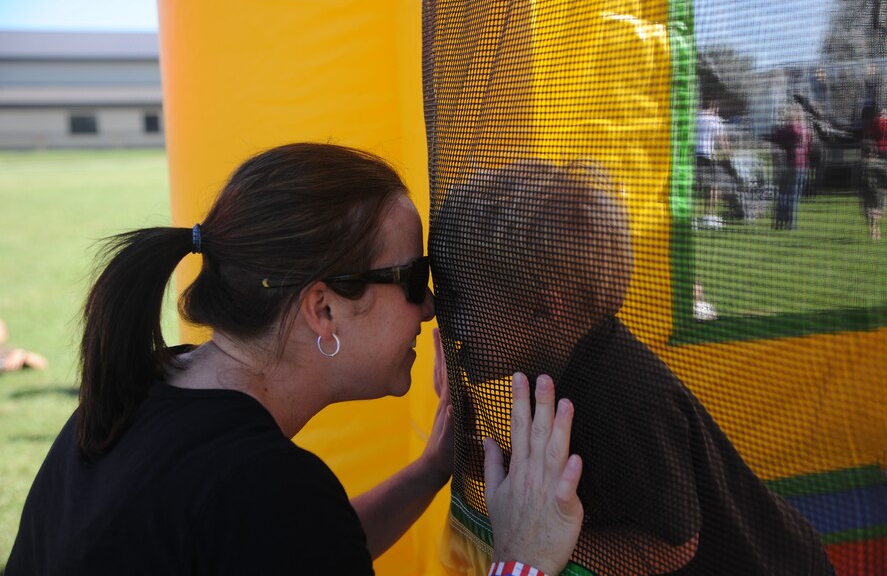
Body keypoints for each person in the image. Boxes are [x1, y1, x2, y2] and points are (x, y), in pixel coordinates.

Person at [5, 143, 584, 576]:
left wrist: (430, 470)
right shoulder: (264, 489)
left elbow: (294, 551)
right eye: (413, 278)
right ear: (323, 308)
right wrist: (523, 560)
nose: (431, 306)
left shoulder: (152, 384)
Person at [431, 158, 834, 575]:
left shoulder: (620, 398)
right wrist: (482, 463)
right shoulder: (546, 368)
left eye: (457, 298)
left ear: (544, 307)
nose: (440, 314)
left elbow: (672, 543)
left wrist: (537, 546)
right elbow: (584, 481)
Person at [695, 101, 730, 229]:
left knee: (694, 187)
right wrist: (728, 156)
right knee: (715, 186)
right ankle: (709, 216)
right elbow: (722, 140)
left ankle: (692, 218)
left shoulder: (695, 118)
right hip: (707, 156)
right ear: (713, 107)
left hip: (694, 156)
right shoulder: (715, 120)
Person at [860, 140, 887, 241]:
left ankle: (872, 230)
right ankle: (876, 229)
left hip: (867, 191)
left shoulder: (862, 164)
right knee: (878, 210)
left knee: (869, 210)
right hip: (879, 191)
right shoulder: (880, 163)